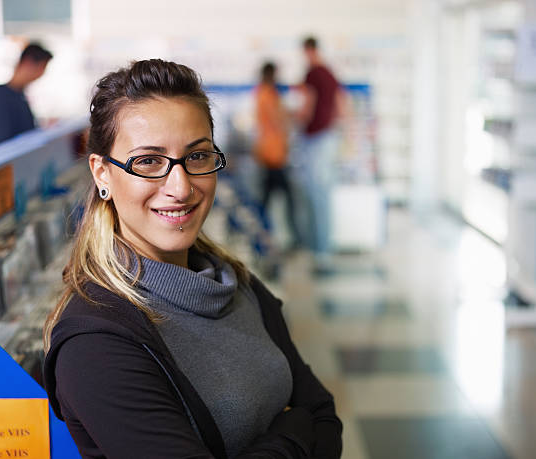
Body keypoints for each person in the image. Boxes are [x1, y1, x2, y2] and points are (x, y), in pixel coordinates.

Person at [42, 59, 343, 458]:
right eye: (148, 162)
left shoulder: (236, 285)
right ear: (102, 173)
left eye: (197, 157)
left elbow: (326, 417)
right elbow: (312, 423)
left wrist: (299, 429)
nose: (180, 187)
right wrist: (293, 431)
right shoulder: (97, 342)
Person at [295, 37, 346, 270]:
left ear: (308, 50)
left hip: (314, 138)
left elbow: (308, 105)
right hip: (328, 137)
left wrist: (294, 122)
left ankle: (320, 250)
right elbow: (340, 103)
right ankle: (321, 248)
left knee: (317, 195)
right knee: (321, 194)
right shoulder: (329, 72)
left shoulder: (313, 73)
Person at [254, 61, 301, 250]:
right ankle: (290, 238)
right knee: (284, 198)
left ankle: (265, 236)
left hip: (273, 153)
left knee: (269, 199)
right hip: (273, 155)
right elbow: (277, 119)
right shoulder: (266, 94)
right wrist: (291, 115)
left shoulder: (265, 93)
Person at [0, 42, 53, 145]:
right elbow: (4, 140)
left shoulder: (20, 94)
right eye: (41, 68)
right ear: (28, 63)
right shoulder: (0, 95)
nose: (40, 75)